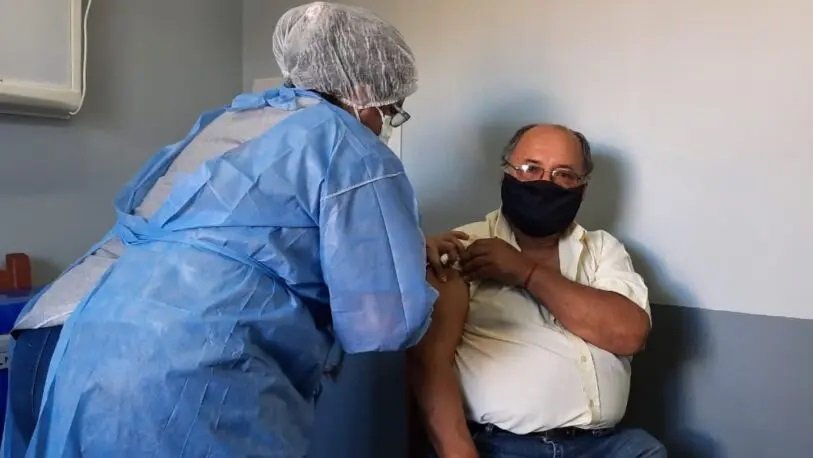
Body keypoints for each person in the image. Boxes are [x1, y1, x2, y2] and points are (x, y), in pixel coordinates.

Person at [2, 3, 436, 457]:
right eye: (392, 110)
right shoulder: (353, 145)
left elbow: (231, 239)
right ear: (363, 91)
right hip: (170, 370)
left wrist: (399, 247)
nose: (386, 124)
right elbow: (383, 321)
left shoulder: (233, 120)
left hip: (64, 339)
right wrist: (409, 264)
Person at [410, 124, 666, 458]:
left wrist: (525, 271)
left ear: (582, 188)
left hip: (604, 446)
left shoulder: (602, 249)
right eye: (530, 168)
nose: (546, 183)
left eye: (564, 174)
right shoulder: (461, 247)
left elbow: (629, 335)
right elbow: (429, 366)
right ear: (506, 173)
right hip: (500, 446)